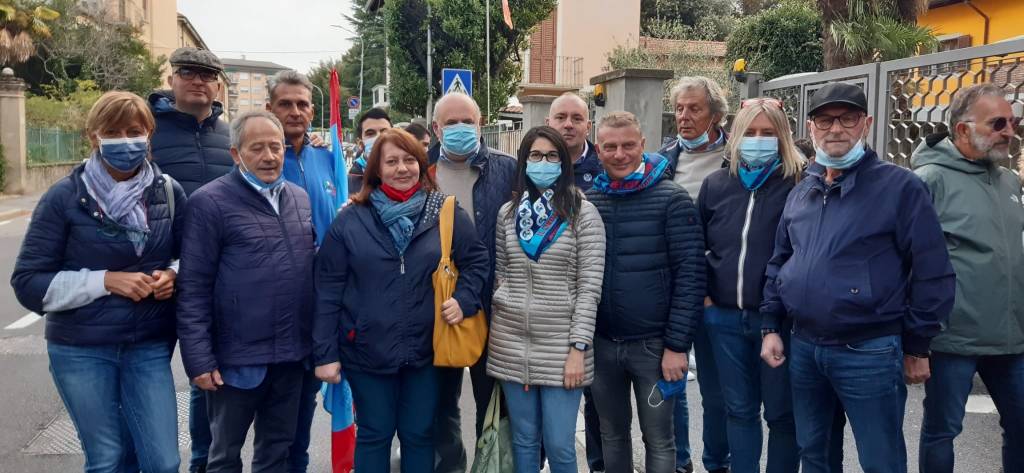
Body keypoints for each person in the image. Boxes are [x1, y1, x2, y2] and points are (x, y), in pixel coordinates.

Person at [759, 82, 956, 473]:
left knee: (880, 459)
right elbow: (781, 260)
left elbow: (933, 271)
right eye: (825, 119)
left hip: (868, 350)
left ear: (865, 124)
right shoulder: (803, 190)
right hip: (805, 347)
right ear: (811, 127)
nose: (836, 129)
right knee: (814, 454)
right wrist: (769, 325)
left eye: (847, 119)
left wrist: (917, 345)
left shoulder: (901, 187)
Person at [11, 91, 185, 473]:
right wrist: (105, 281)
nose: (125, 140)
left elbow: (190, 257)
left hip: (148, 346)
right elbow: (27, 282)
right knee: (107, 460)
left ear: (150, 134)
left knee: (165, 462)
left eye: (135, 130)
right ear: (93, 136)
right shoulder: (64, 198)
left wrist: (173, 274)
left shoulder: (169, 193)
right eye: (113, 131)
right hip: (81, 349)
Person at [314, 128, 489, 473]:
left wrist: (465, 300)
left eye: (409, 160)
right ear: (376, 169)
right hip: (366, 350)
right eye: (391, 161)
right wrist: (325, 354)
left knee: (419, 434)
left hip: (425, 351)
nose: (401, 168)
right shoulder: (350, 219)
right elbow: (328, 289)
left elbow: (477, 261)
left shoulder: (446, 212)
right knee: (374, 434)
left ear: (422, 165)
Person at [177, 111, 316, 473]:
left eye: (276, 147)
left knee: (277, 453)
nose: (269, 156)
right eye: (258, 148)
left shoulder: (299, 198)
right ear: (236, 154)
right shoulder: (209, 203)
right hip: (236, 361)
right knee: (223, 456)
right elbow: (192, 287)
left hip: (290, 356)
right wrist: (199, 359)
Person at [911, 83, 1024, 473]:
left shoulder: (1010, 182)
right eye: (998, 123)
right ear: (962, 129)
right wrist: (917, 339)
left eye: (1013, 122)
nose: (1009, 131)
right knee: (942, 430)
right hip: (951, 338)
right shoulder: (928, 180)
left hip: (1011, 338)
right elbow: (908, 260)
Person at [586, 111, 705, 473]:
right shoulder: (591, 201)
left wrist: (677, 346)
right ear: (598, 150)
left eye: (627, 145)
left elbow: (691, 275)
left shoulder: (672, 199)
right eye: (610, 146)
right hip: (603, 344)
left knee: (659, 439)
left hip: (654, 348)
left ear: (642, 145)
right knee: (611, 436)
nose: (619, 154)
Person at [486, 125, 606, 473]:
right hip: (511, 345)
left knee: (559, 445)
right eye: (535, 156)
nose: (544, 162)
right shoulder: (508, 215)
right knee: (524, 440)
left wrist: (578, 349)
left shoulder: (583, 214)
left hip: (561, 349)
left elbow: (589, 287)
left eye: (552, 156)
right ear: (523, 162)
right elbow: (502, 275)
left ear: (563, 163)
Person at [698, 98, 804, 473]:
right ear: (736, 137)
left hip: (776, 322)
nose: (758, 140)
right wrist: (709, 302)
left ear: (783, 137)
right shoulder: (715, 185)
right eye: (751, 133)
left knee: (781, 415)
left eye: (768, 133)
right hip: (724, 319)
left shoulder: (799, 185)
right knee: (738, 411)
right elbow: (699, 248)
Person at [147, 47, 234, 473]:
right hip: (156, 280)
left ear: (218, 83)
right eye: (187, 72)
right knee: (148, 378)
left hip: (213, 280)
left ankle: (202, 461)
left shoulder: (229, 136)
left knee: (207, 378)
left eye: (207, 74)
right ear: (172, 80)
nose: (198, 80)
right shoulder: (146, 133)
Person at [428, 92, 517, 473]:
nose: (460, 129)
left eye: (468, 121)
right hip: (436, 309)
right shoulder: (420, 170)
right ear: (436, 128)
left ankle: (488, 466)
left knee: (493, 403)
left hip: (493, 307)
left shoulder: (509, 169)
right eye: (451, 123)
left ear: (481, 125)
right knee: (441, 404)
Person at [265, 69, 346, 473]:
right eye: (286, 104)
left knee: (301, 415)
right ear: (269, 108)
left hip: (319, 309)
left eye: (302, 104)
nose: (295, 112)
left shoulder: (328, 157)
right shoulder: (259, 158)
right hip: (269, 310)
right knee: (267, 427)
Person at [658, 76, 732, 473]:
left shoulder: (737, 158)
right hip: (671, 289)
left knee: (717, 392)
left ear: (716, 114)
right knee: (672, 381)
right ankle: (678, 463)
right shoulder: (663, 159)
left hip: (716, 292)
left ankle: (717, 462)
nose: (684, 117)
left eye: (694, 109)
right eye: (680, 109)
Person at [546, 93, 603, 192]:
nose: (568, 125)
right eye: (560, 117)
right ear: (548, 124)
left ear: (588, 127)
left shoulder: (605, 169)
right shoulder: (530, 168)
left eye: (577, 119)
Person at [350, 107, 393, 194]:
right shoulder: (350, 180)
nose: (379, 138)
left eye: (385, 132)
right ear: (360, 143)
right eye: (370, 133)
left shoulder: (406, 172)